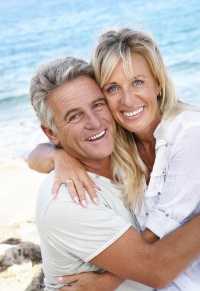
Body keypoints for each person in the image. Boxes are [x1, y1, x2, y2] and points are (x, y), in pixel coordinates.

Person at [28, 27, 200, 290]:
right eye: (112, 88)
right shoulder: (112, 150)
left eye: (138, 82)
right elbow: (33, 157)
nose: (128, 100)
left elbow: (159, 239)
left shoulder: (182, 135)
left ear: (159, 81)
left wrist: (107, 282)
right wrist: (58, 156)